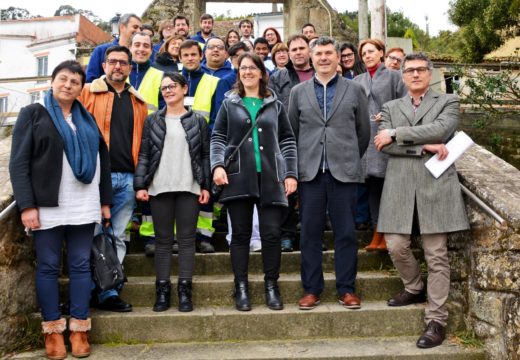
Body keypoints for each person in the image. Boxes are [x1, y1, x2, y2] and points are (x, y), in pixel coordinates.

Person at [10, 60, 112, 359]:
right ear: (52, 81)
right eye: (63, 79)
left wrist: (105, 201)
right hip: (47, 205)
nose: (68, 85)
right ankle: (53, 332)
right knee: (48, 266)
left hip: (84, 202)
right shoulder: (33, 114)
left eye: (74, 82)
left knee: (81, 265)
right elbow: (18, 162)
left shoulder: (87, 118)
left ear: (81, 88)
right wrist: (27, 205)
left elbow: (102, 162)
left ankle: (79, 328)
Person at [374, 52, 469, 349]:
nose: (415, 74)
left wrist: (396, 133)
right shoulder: (390, 106)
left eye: (420, 70)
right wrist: (423, 146)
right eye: (409, 70)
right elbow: (382, 146)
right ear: (402, 76)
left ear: (430, 73)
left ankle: (436, 320)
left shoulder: (447, 102)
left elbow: (441, 130)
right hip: (399, 184)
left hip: (436, 185)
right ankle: (414, 286)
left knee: (436, 253)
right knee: (396, 245)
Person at [211, 52, 298, 311]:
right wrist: (217, 166)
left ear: (262, 73)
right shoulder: (229, 103)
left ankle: (271, 285)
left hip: (271, 178)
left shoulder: (276, 104)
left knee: (271, 234)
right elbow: (217, 137)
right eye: (243, 68)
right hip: (238, 177)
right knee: (240, 235)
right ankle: (241, 287)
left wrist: (290, 172)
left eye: (252, 68)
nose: (247, 72)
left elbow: (288, 140)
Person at [288, 36, 369, 311]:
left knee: (346, 232)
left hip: (343, 173)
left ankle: (346, 289)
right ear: (311, 59)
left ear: (338, 58)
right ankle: (311, 289)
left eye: (328, 53)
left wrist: (346, 158)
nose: (323, 58)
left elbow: (363, 133)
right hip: (309, 174)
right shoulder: (298, 92)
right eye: (318, 54)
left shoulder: (354, 90)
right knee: (309, 233)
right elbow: (291, 132)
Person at [79, 45, 148, 312]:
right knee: (92, 234)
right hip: (96, 177)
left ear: (130, 68)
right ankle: (86, 289)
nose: (117, 66)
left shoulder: (138, 102)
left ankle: (109, 291)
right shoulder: (87, 93)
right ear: (104, 65)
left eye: (123, 63)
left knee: (118, 236)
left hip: (128, 178)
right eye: (112, 62)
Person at [134, 72, 211, 313]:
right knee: (163, 241)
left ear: (184, 89)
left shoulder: (198, 121)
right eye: (164, 88)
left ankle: (185, 291)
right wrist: (141, 185)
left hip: (189, 186)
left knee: (187, 241)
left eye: (172, 87)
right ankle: (163, 290)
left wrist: (206, 185)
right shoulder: (153, 120)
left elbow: (205, 155)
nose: (167, 91)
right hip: (159, 187)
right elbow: (145, 154)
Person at [354, 38, 406, 252]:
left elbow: (405, 104)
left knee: (388, 188)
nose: (367, 55)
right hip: (367, 143)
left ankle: (387, 234)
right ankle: (377, 232)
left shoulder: (395, 77)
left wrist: (388, 118)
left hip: (388, 140)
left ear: (381, 53)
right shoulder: (357, 79)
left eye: (371, 51)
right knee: (373, 188)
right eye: (363, 53)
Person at [268, 34, 314, 252]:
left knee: (312, 191)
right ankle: (286, 234)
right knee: (287, 189)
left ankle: (311, 235)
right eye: (293, 49)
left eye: (301, 48)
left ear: (309, 50)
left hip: (314, 140)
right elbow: (273, 106)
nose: (297, 52)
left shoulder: (319, 74)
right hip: (286, 138)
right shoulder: (278, 76)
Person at [179, 39, 220, 253]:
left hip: (204, 146)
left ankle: (205, 236)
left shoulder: (213, 82)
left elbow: (217, 116)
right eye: (185, 55)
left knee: (205, 191)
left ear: (200, 56)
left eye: (193, 54)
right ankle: (182, 235)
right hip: (176, 147)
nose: (190, 58)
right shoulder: (171, 81)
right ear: (180, 58)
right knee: (180, 191)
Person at [86, 13, 141, 83]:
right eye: (135, 27)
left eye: (140, 28)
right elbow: (90, 81)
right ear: (122, 27)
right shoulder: (101, 51)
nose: (139, 31)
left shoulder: (140, 55)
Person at [128, 32, 165, 113]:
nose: (141, 49)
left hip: (150, 125)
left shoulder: (161, 76)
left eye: (146, 46)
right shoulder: (119, 73)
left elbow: (165, 110)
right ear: (130, 47)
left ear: (151, 50)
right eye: (137, 45)